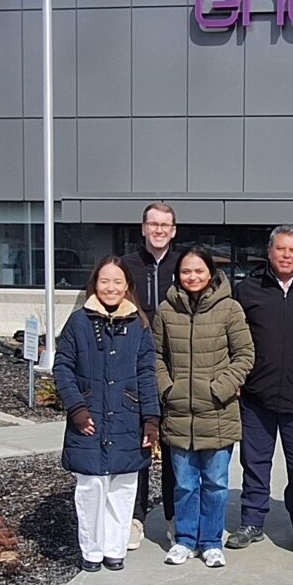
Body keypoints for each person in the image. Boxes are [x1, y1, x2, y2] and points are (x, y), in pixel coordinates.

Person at [53, 257, 161, 573]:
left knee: (123, 489)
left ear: (127, 285)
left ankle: (115, 549)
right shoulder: (78, 323)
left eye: (117, 281)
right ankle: (91, 551)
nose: (111, 288)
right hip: (89, 419)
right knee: (90, 489)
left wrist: (151, 418)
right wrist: (77, 407)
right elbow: (63, 368)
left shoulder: (139, 325)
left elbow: (146, 373)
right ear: (94, 284)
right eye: (104, 281)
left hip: (128, 418)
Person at [155, 249, 254, 567]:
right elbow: (154, 356)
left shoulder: (229, 309)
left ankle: (211, 541)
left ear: (210, 273)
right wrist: (167, 389)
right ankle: (185, 539)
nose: (192, 277)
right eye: (186, 271)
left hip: (218, 412)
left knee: (215, 483)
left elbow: (245, 354)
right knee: (184, 483)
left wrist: (221, 388)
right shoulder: (166, 311)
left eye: (199, 270)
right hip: (179, 412)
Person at [230, 225, 293, 549]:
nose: (286, 255)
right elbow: (232, 335)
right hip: (256, 395)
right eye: (280, 249)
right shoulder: (248, 289)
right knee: (254, 463)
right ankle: (252, 522)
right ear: (269, 252)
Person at [118, 201, 184, 548]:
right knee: (140, 442)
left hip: (176, 368)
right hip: (134, 367)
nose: (159, 230)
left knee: (173, 446)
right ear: (143, 228)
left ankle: (174, 518)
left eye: (165, 225)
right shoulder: (126, 267)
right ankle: (135, 517)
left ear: (173, 231)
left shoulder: (185, 266)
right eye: (153, 224)